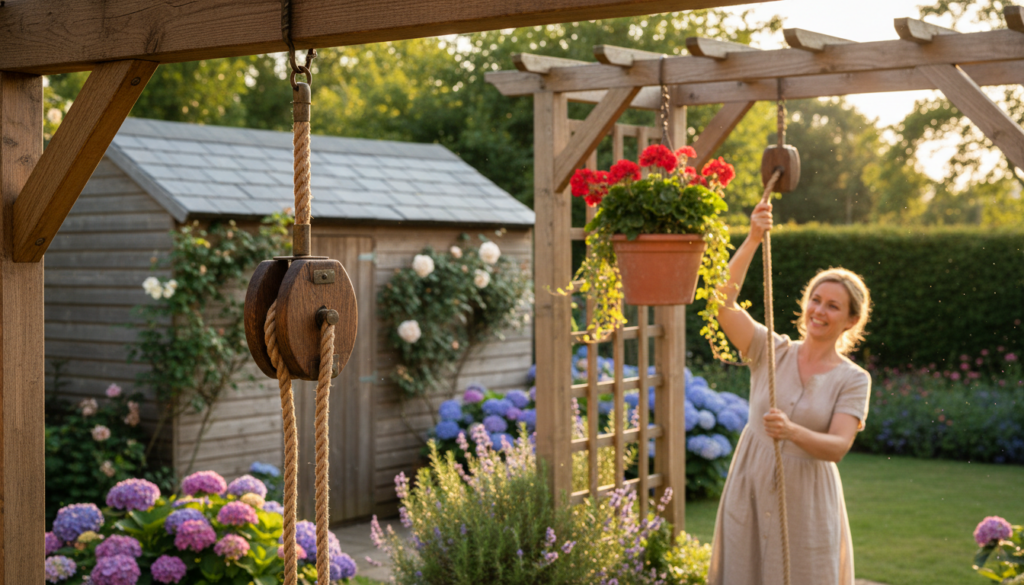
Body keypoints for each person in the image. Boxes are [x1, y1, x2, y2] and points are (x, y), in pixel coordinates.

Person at [706, 202, 873, 585]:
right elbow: (720, 303)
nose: (819, 310)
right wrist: (752, 238)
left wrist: (792, 431)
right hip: (749, 483)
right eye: (816, 300)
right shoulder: (770, 349)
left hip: (808, 500)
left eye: (833, 306)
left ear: (850, 321)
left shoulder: (853, 379)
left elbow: (837, 447)